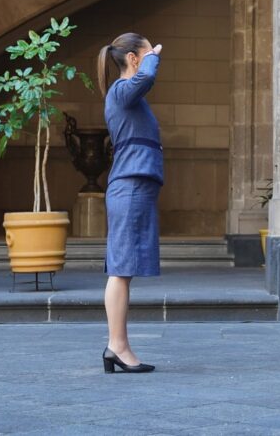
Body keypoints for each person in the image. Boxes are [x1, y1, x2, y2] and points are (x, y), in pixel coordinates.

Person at [96, 33, 164, 373]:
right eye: (147, 51)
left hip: (135, 185)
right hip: (130, 186)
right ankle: (117, 346)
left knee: (123, 269)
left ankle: (117, 345)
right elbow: (148, 77)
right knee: (121, 269)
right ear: (134, 59)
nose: (153, 55)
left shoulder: (126, 95)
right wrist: (154, 56)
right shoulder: (122, 91)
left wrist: (148, 55)